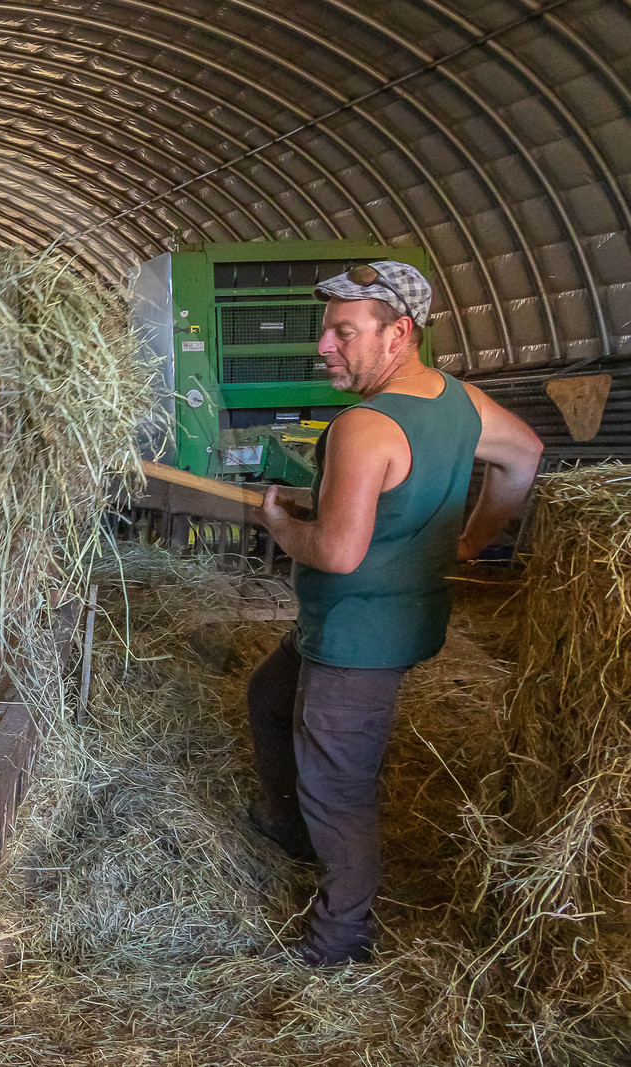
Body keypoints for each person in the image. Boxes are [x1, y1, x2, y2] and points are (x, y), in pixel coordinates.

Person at [249, 260, 543, 966]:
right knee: (268, 698)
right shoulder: (459, 402)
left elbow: (338, 550)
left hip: (357, 634)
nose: (326, 347)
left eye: (344, 333)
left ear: (398, 333)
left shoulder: (364, 425)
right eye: (329, 333)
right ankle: (286, 829)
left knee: (337, 784)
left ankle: (339, 936)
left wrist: (280, 524)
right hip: (400, 617)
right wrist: (471, 539)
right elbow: (525, 455)